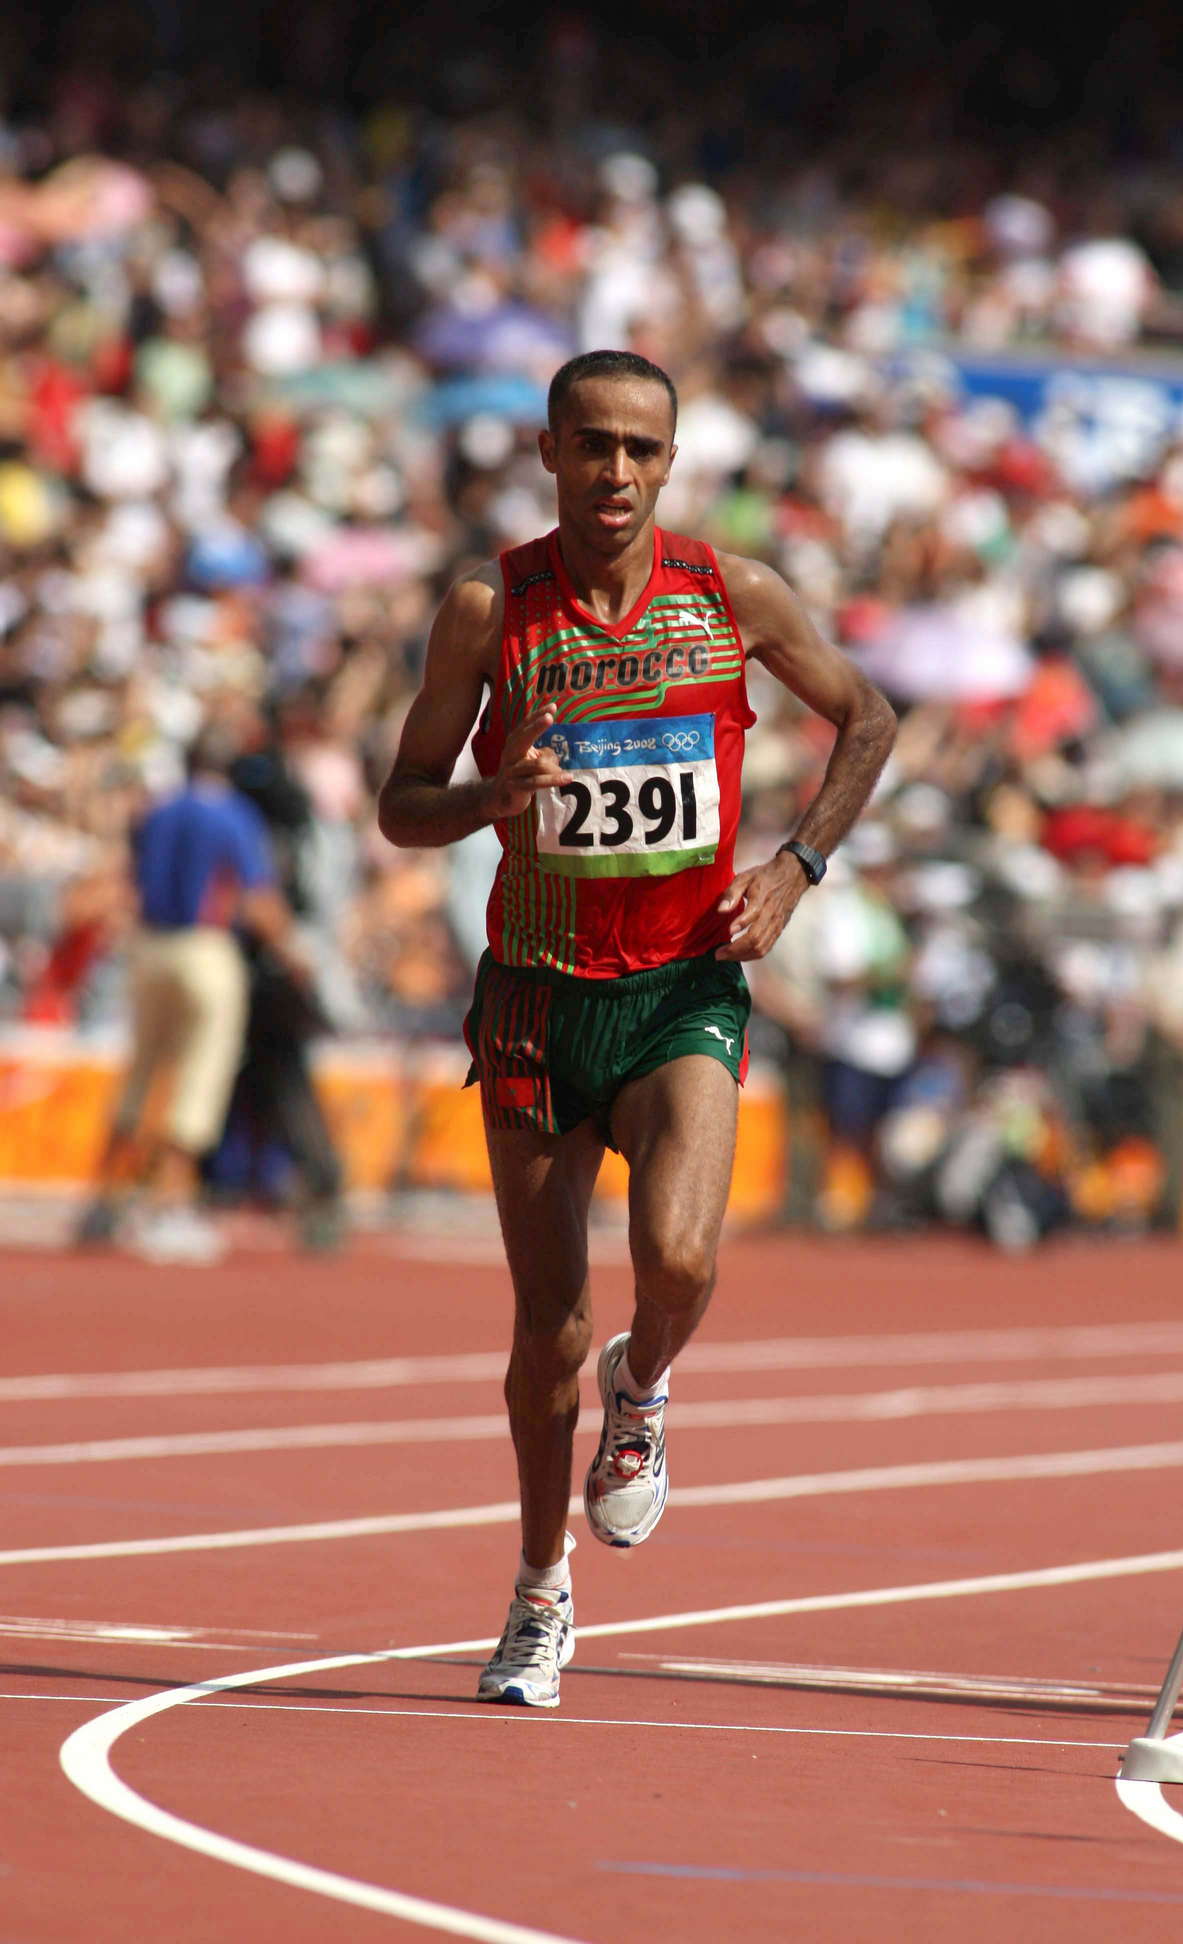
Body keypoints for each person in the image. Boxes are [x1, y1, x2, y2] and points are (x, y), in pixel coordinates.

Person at [377, 349, 896, 1707]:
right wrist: (492, 798)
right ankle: (539, 1593)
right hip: (537, 996)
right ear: (549, 451)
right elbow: (400, 802)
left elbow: (870, 717)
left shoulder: (733, 596)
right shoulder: (489, 609)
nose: (616, 470)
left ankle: (647, 1385)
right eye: (593, 443)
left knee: (677, 1257)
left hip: (680, 987)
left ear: (671, 461)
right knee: (547, 1331)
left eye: (642, 449)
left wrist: (796, 870)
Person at [75, 724, 305, 1263]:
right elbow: (256, 896)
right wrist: (296, 955)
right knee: (199, 1080)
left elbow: (132, 879)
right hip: (205, 950)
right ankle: (169, 1207)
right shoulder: (233, 814)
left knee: (139, 1074)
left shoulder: (156, 812)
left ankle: (103, 1201)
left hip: (149, 947)